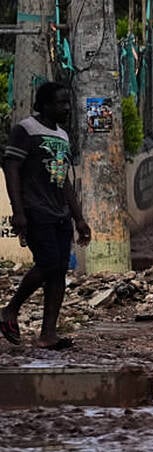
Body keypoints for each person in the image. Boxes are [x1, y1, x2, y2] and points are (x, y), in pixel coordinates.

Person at [1, 82, 92, 350]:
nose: (66, 108)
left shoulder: (62, 135)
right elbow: (11, 168)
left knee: (58, 271)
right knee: (48, 263)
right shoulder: (26, 130)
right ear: (44, 105)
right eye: (60, 103)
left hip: (60, 213)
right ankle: (10, 310)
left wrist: (79, 218)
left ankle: (48, 334)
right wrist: (18, 211)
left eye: (67, 102)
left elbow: (63, 181)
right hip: (35, 210)